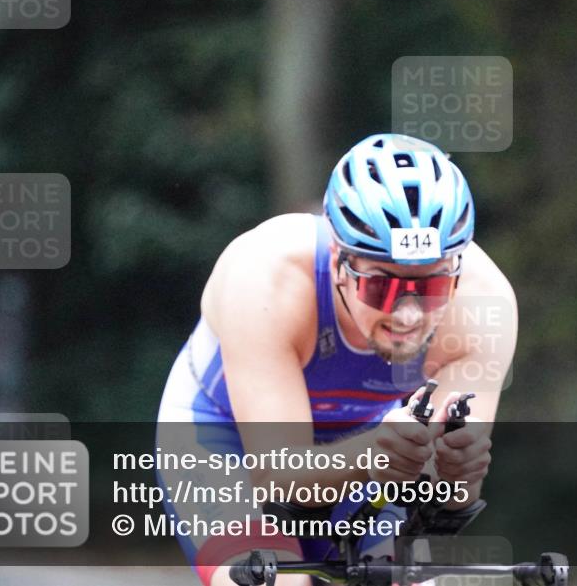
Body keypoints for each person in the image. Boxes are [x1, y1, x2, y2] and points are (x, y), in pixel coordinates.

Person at [157, 134, 517, 586]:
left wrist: (456, 474)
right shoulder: (265, 276)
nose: (406, 312)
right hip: (222, 435)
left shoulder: (486, 305)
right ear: (337, 259)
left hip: (375, 443)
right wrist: (375, 453)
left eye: (431, 287)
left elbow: (447, 502)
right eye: (380, 286)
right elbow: (278, 478)